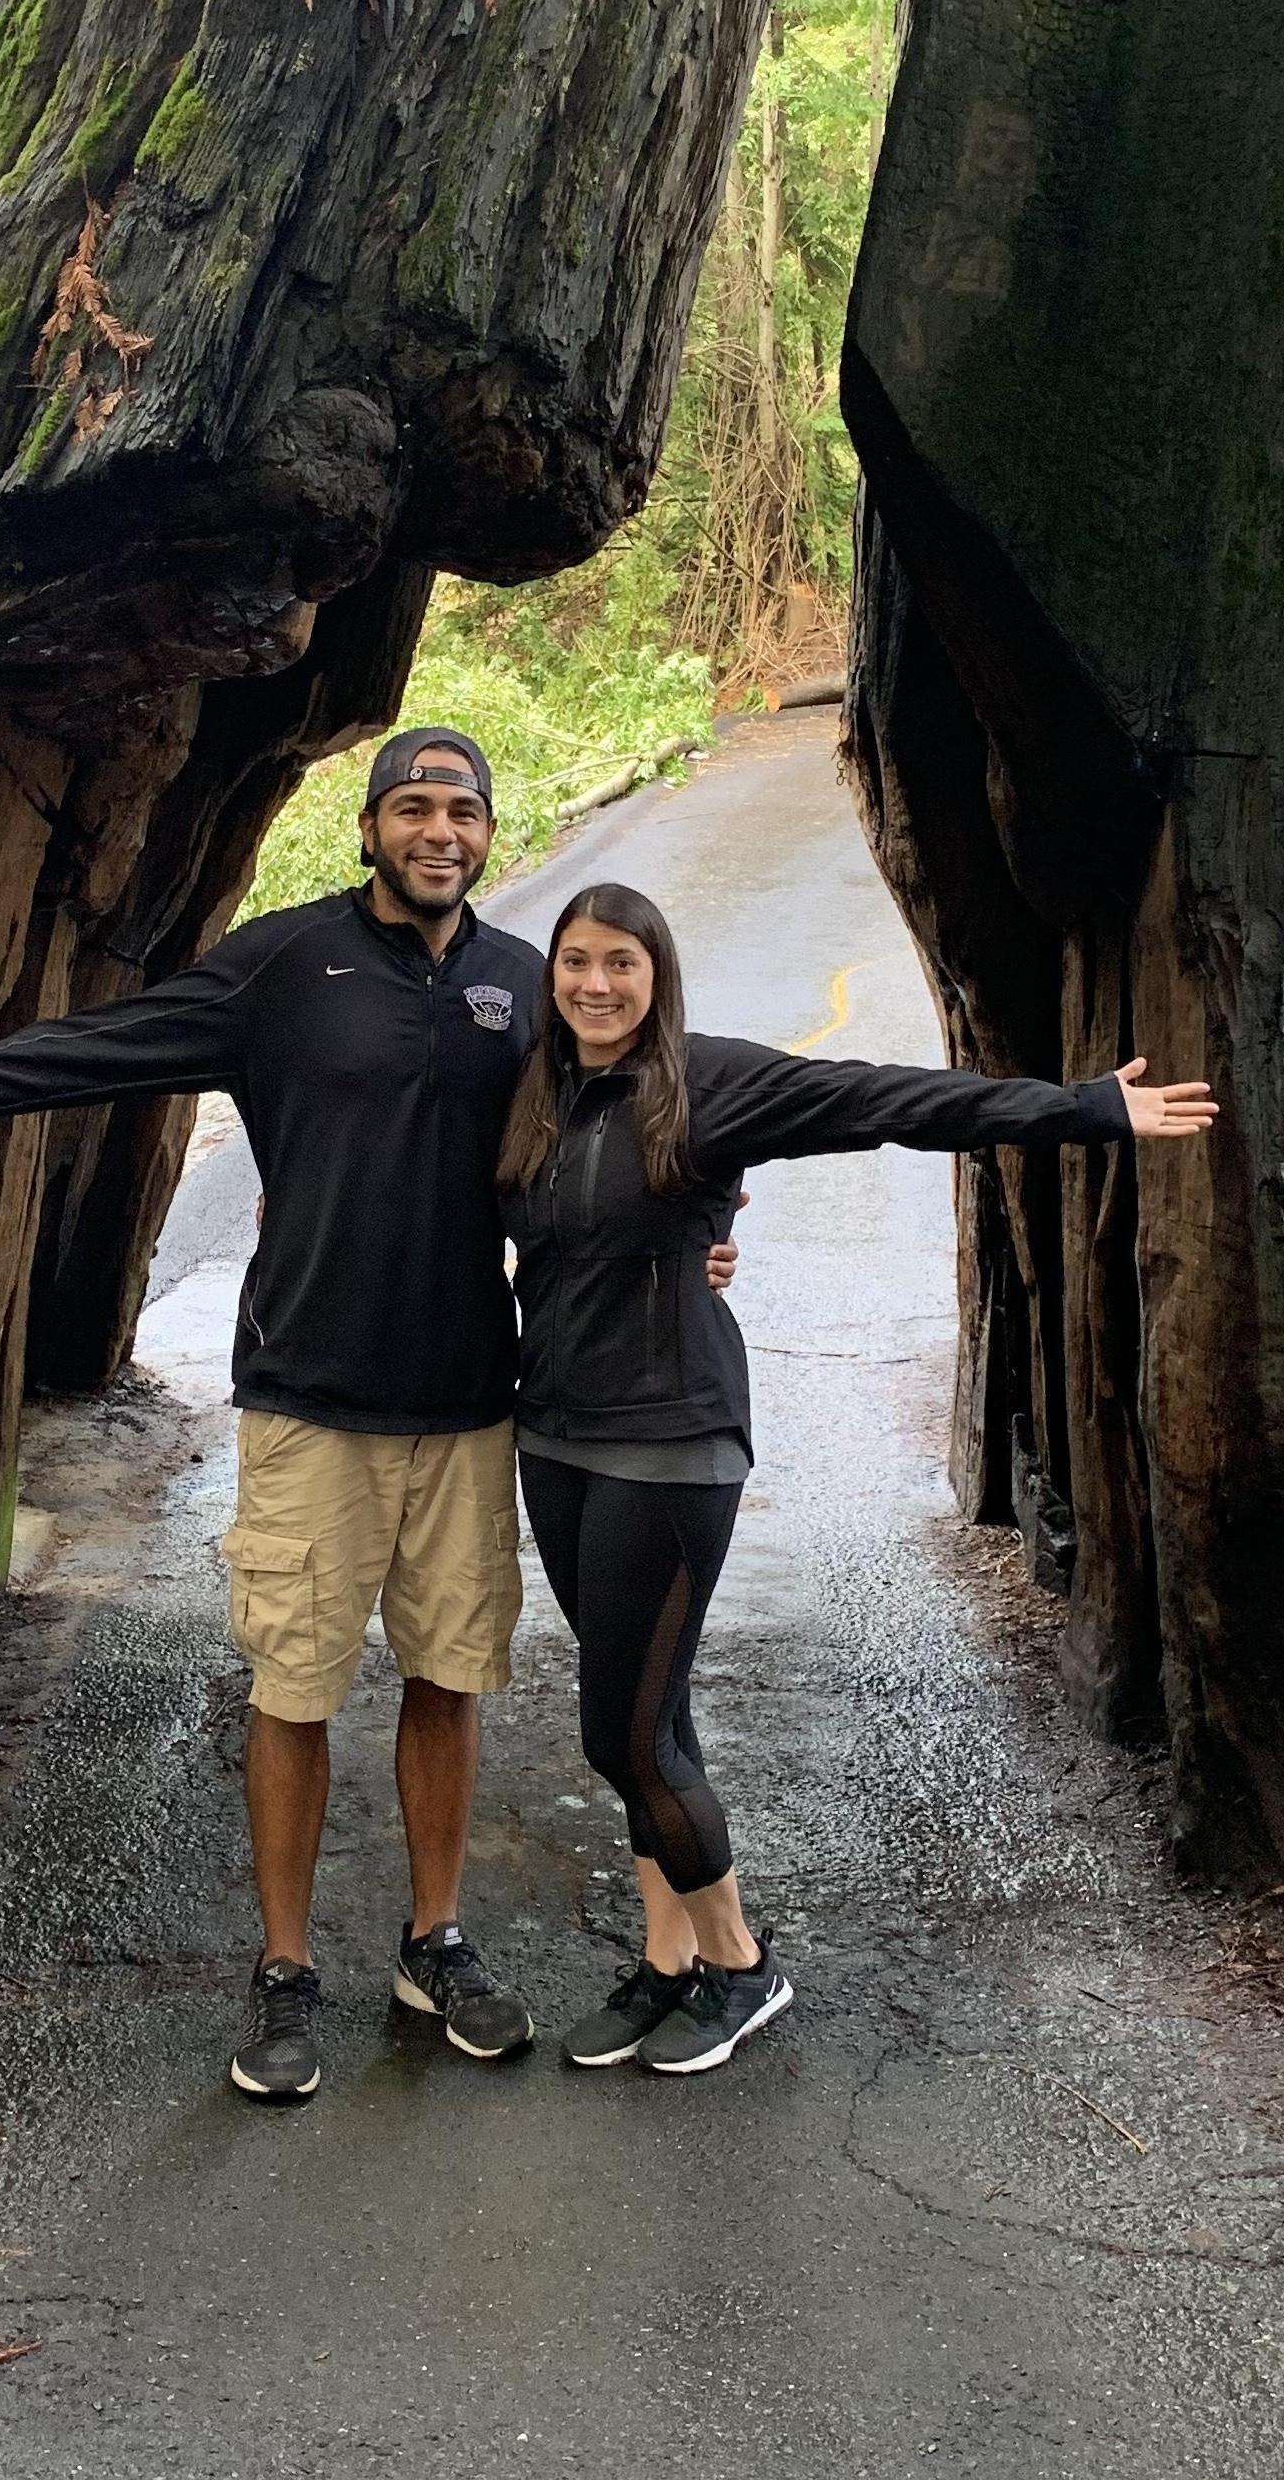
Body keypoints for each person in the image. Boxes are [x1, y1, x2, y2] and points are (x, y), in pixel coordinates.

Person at [0, 726, 718, 2107]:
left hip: (467, 1401)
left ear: (489, 835)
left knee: (448, 1679)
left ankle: (434, 1940)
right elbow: (109, 1047)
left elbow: (630, 1120)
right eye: (414, 807)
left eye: (462, 811)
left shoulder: (522, 985)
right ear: (373, 826)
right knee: (294, 1687)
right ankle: (283, 1966)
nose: (439, 830)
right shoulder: (283, 963)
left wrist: (690, 1234)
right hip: (309, 1396)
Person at [498, 880, 1217, 2075]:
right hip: (557, 1438)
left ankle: (740, 1966)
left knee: (621, 1735)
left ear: (657, 975)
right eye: (576, 961)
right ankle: (665, 1964)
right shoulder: (534, 1093)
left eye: (622, 963)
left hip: (672, 1441)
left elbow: (884, 1099)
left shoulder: (710, 1079)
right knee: (648, 1715)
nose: (595, 985)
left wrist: (1087, 1109)